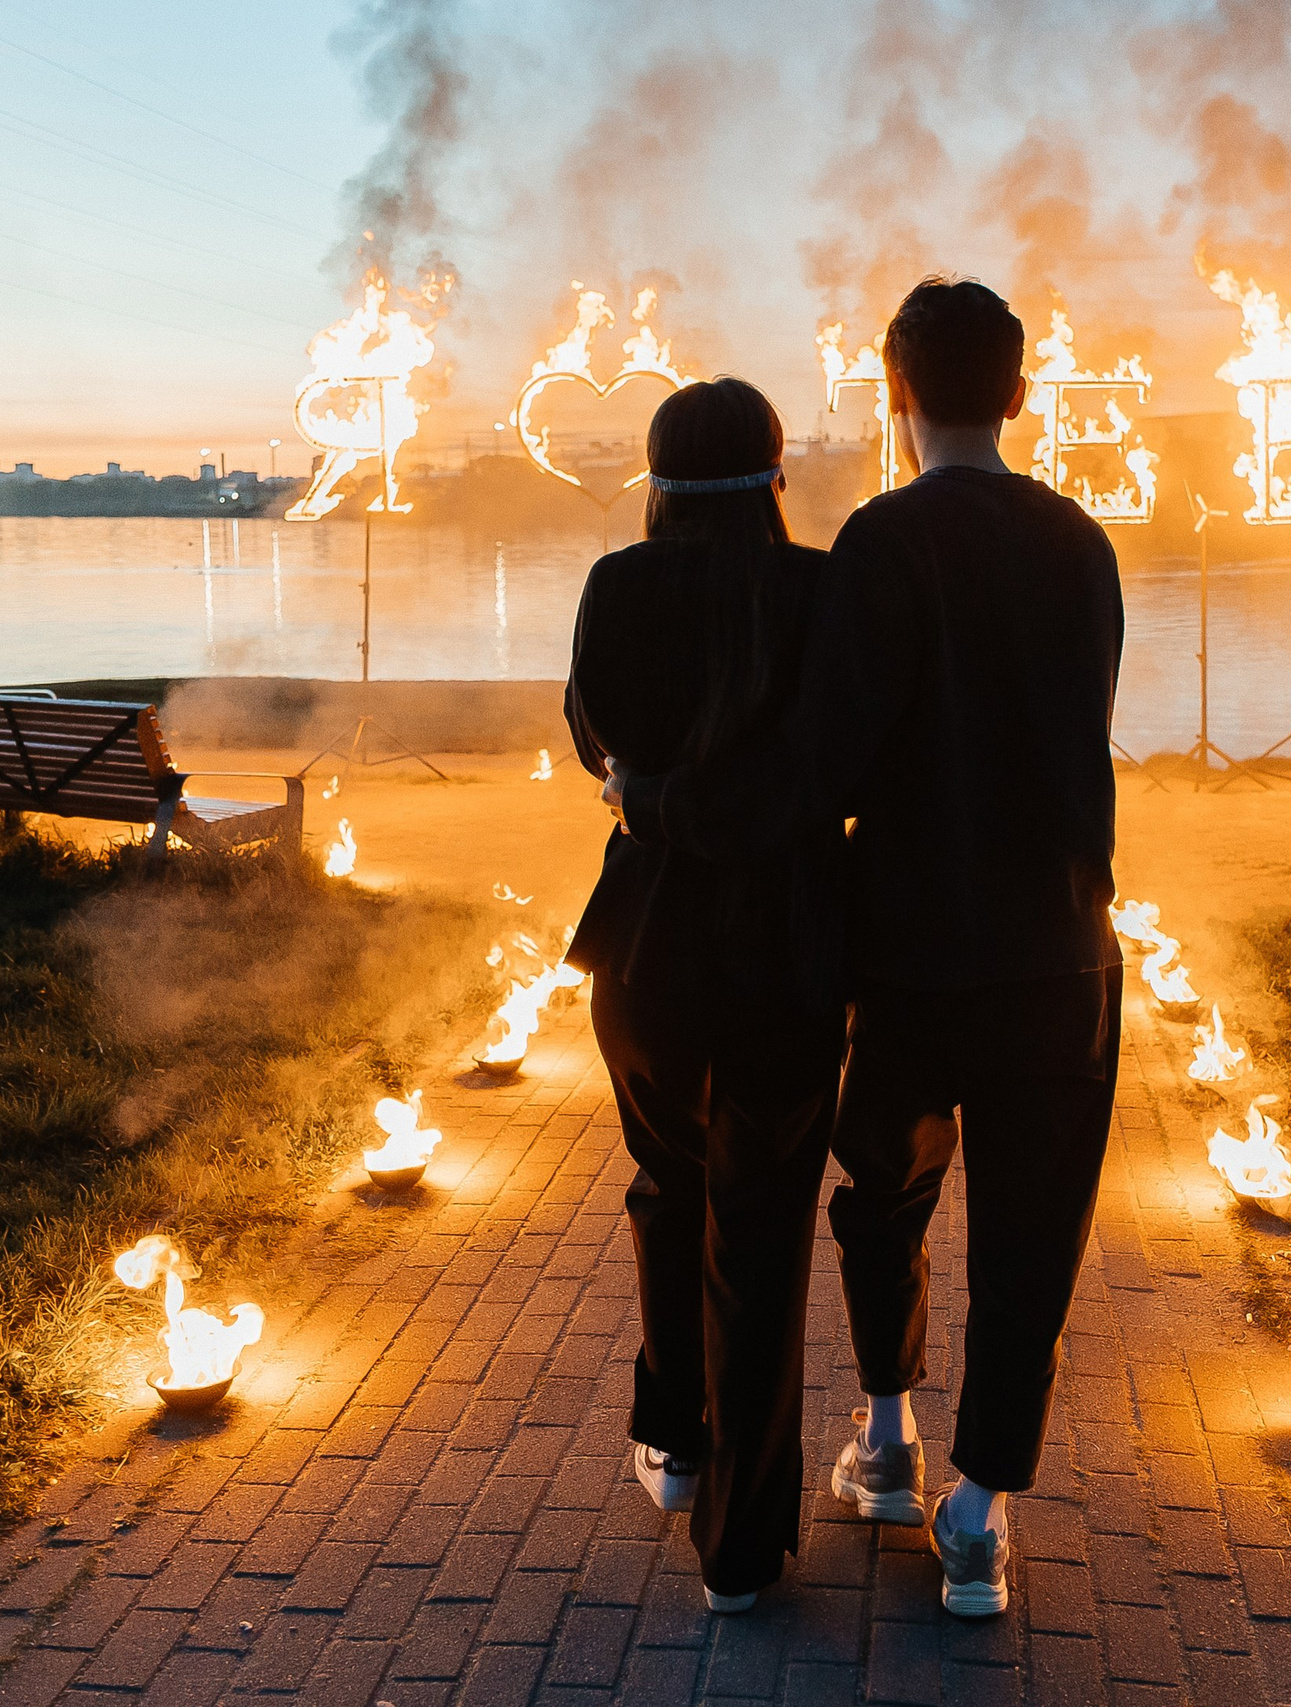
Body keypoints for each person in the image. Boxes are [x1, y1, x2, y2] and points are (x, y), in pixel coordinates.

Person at [605, 278, 1124, 1617]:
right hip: (1062, 950)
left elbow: (819, 764)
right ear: (1018, 394)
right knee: (1030, 1243)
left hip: (904, 953)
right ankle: (977, 1512)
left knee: (883, 1197)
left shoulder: (880, 542)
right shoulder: (1082, 541)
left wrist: (655, 803)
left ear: (895, 392)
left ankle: (886, 1435)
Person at [562, 377, 847, 1615]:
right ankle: (738, 1548)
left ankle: (674, 1440)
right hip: (788, 954)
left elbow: (591, 740)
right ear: (777, 476)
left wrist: (649, 794)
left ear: (657, 479)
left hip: (651, 951)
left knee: (667, 1183)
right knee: (767, 1232)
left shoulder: (617, 584)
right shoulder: (825, 591)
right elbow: (836, 766)